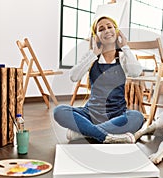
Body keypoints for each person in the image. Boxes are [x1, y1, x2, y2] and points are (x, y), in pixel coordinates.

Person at [53, 16, 144, 144]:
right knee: (59, 111)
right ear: (96, 36)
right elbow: (74, 76)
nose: (106, 30)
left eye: (110, 27)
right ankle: (106, 135)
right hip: (90, 113)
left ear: (117, 31)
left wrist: (125, 47)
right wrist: (93, 54)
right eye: (101, 29)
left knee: (137, 117)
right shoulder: (92, 56)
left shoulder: (123, 57)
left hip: (116, 115)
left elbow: (136, 72)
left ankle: (85, 132)